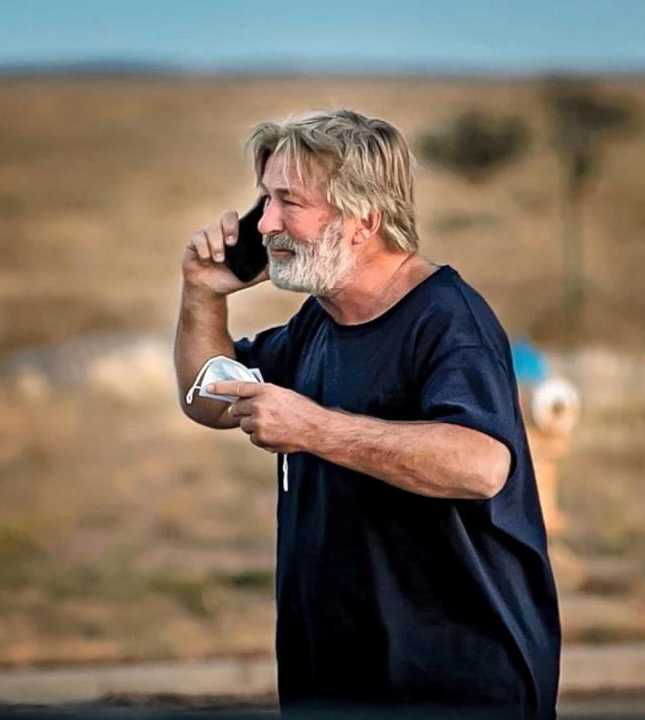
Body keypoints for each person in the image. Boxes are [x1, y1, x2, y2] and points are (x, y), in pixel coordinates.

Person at [173, 108, 560, 718]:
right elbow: (209, 397)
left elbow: (481, 464)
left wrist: (314, 428)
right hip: (332, 676)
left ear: (364, 220)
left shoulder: (447, 320)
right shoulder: (319, 322)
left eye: (288, 203)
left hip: (452, 685)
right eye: (264, 201)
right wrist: (201, 293)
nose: (266, 223)